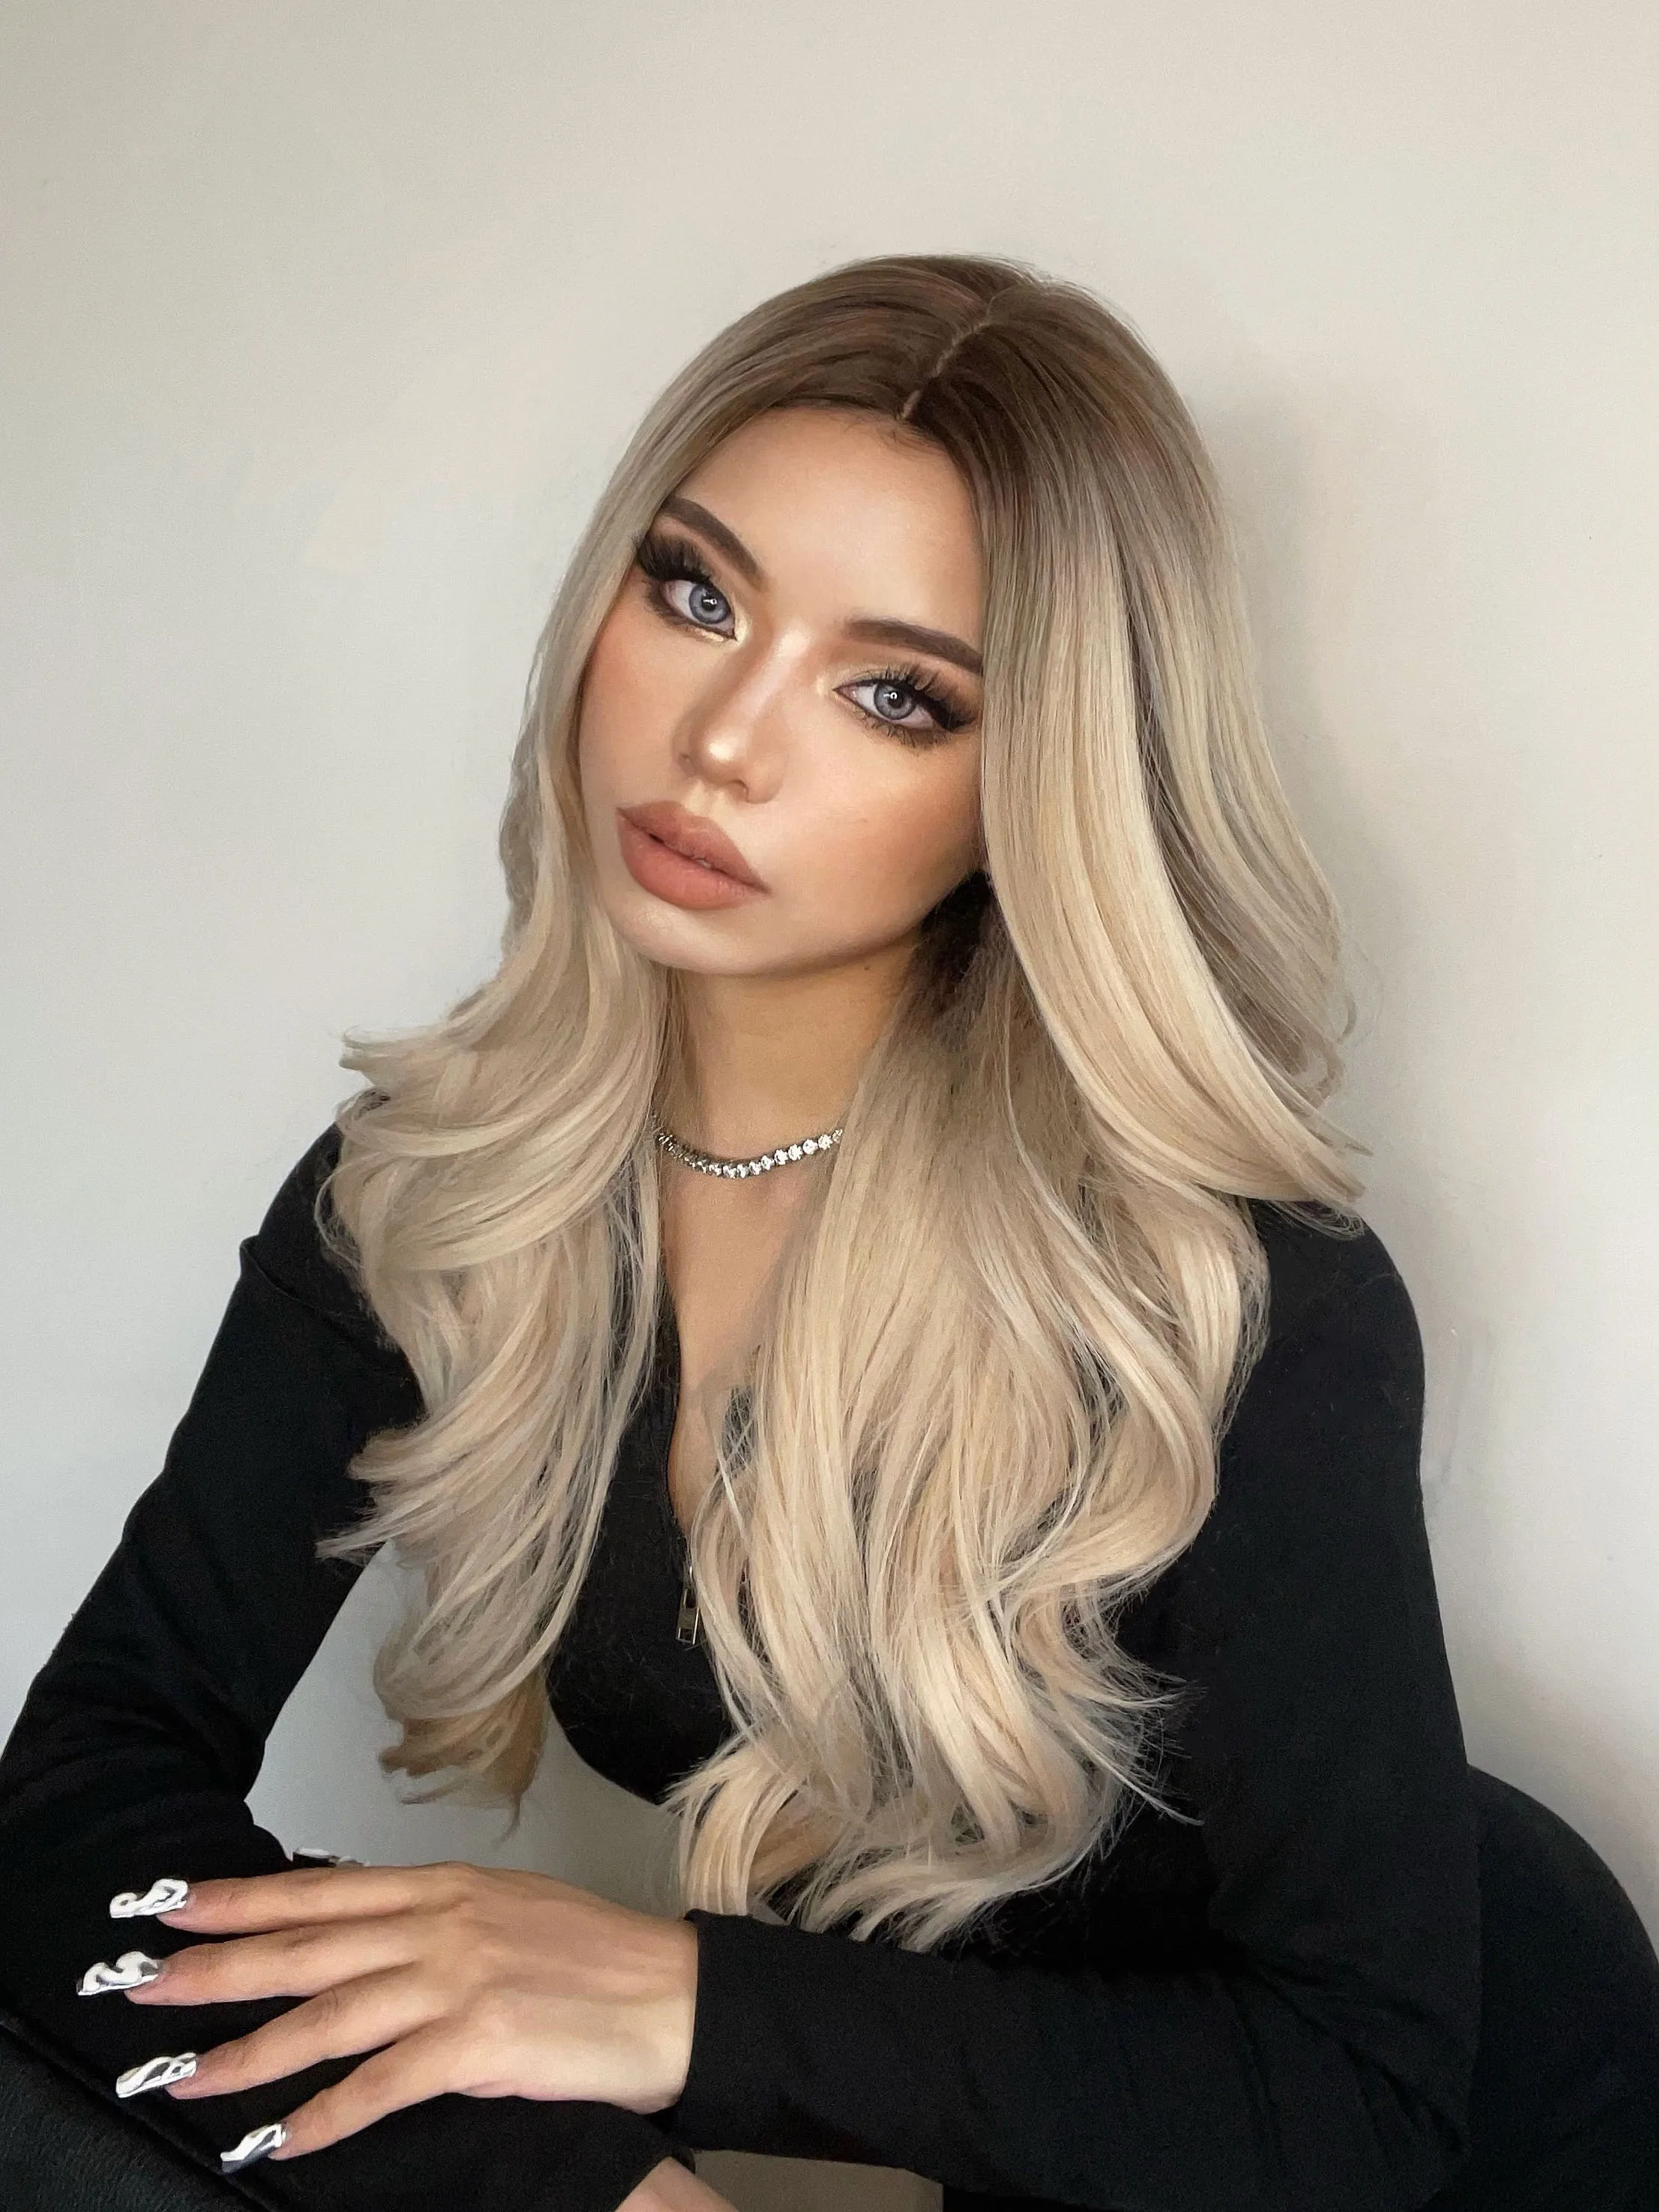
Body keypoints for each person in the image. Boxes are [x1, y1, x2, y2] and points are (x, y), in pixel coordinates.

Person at [1, 253, 1655, 2212]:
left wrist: (682, 2007)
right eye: (695, 594)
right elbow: (79, 1796)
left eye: (894, 693)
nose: (721, 740)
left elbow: (1352, 2096)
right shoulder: (440, 1190)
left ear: (1029, 780)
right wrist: (560, 2178)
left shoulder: (1227, 1293)